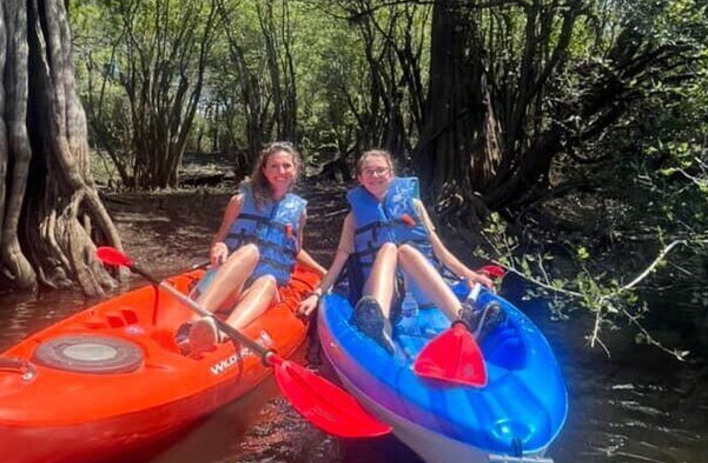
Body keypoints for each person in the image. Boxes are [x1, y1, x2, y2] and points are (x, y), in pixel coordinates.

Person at [297, 149, 494, 353]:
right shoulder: (354, 217)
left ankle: (463, 322)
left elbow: (440, 252)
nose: (375, 175)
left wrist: (470, 274)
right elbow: (339, 262)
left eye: (381, 170)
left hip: (416, 293)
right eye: (369, 171)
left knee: (406, 250)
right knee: (390, 247)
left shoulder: (414, 206)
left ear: (391, 174)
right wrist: (317, 294)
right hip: (378, 294)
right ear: (360, 178)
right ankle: (379, 325)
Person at [177, 142, 324, 355]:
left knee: (269, 280)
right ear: (263, 170)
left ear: (296, 169)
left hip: (256, 293)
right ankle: (192, 324)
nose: (280, 171)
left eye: (286, 166)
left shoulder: (299, 212)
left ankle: (223, 334)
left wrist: (323, 272)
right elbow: (219, 241)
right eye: (274, 166)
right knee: (250, 251)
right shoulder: (240, 200)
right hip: (229, 286)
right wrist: (218, 247)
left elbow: (294, 249)